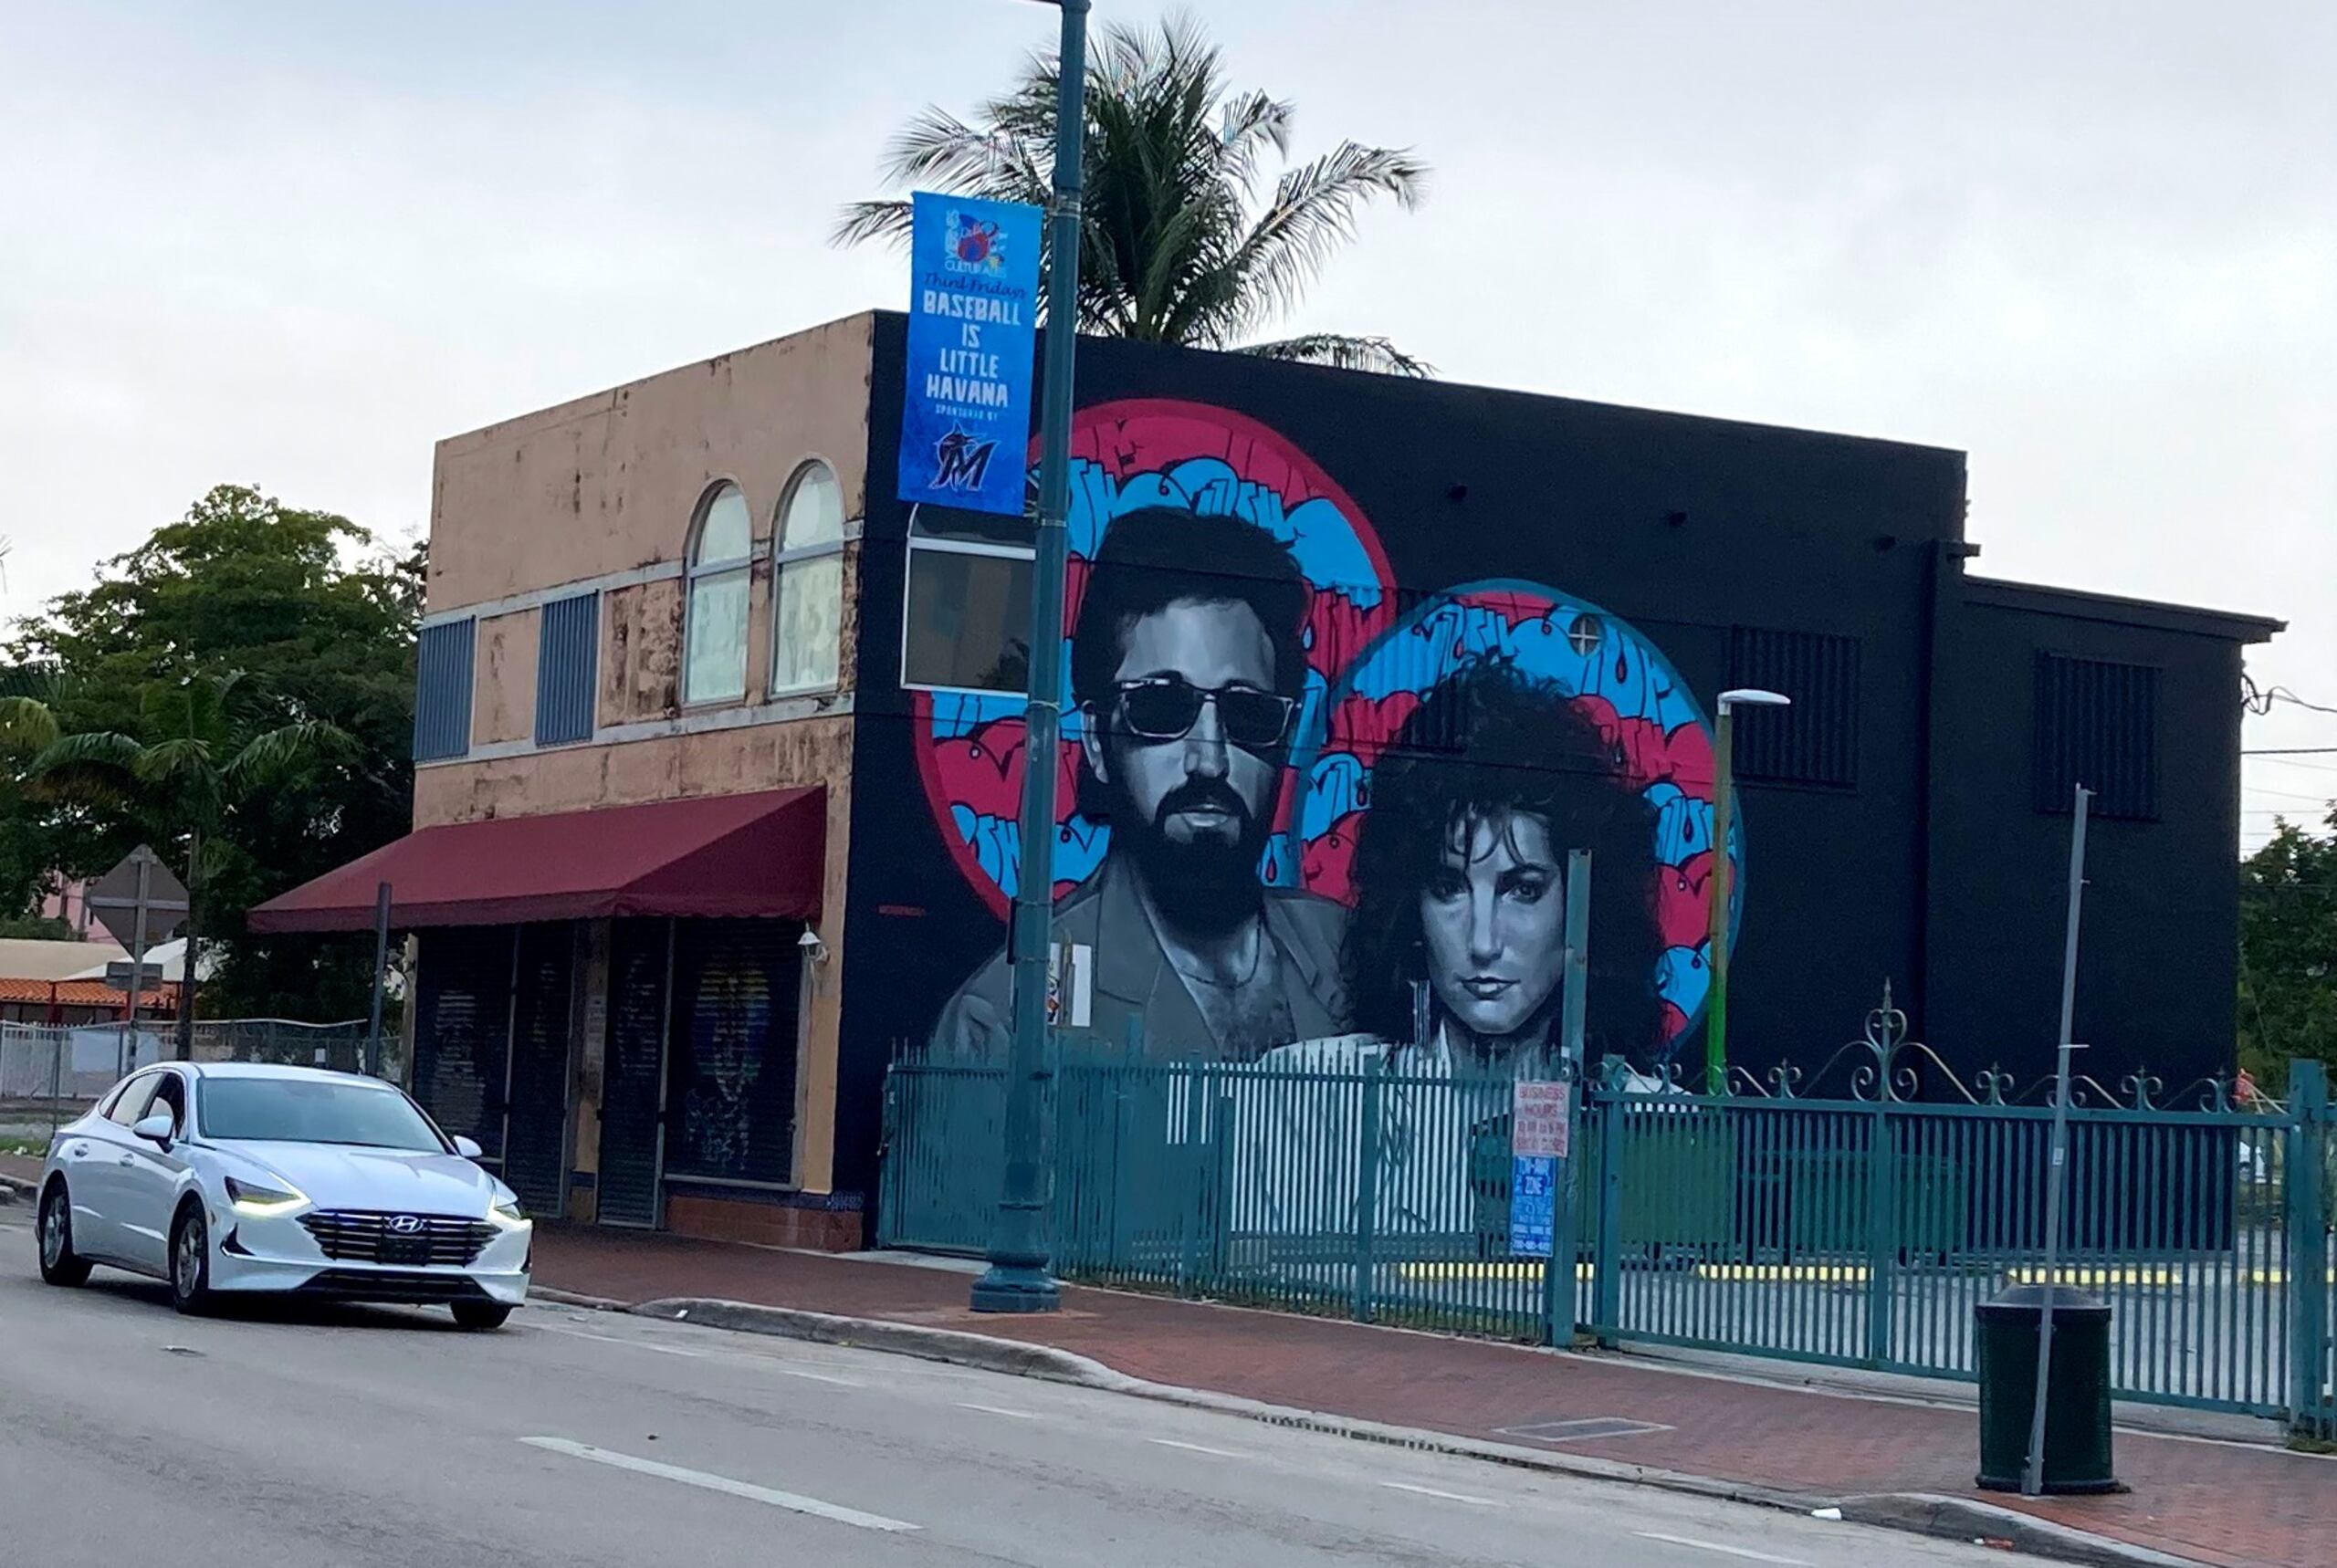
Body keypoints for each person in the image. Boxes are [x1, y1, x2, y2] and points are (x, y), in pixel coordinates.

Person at [1240, 659, 1664, 1239]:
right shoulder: (1300, 1101)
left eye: (1522, 889)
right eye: (1448, 888)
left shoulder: (1655, 1121)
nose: (1483, 942)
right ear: (1408, 905)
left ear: (1584, 906)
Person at [931, 507, 1348, 1063]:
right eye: (1161, 707)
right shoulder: (1005, 1018)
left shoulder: (1351, 955)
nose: (1210, 759)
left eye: (1248, 713)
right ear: (1099, 741)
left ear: (1287, 734)